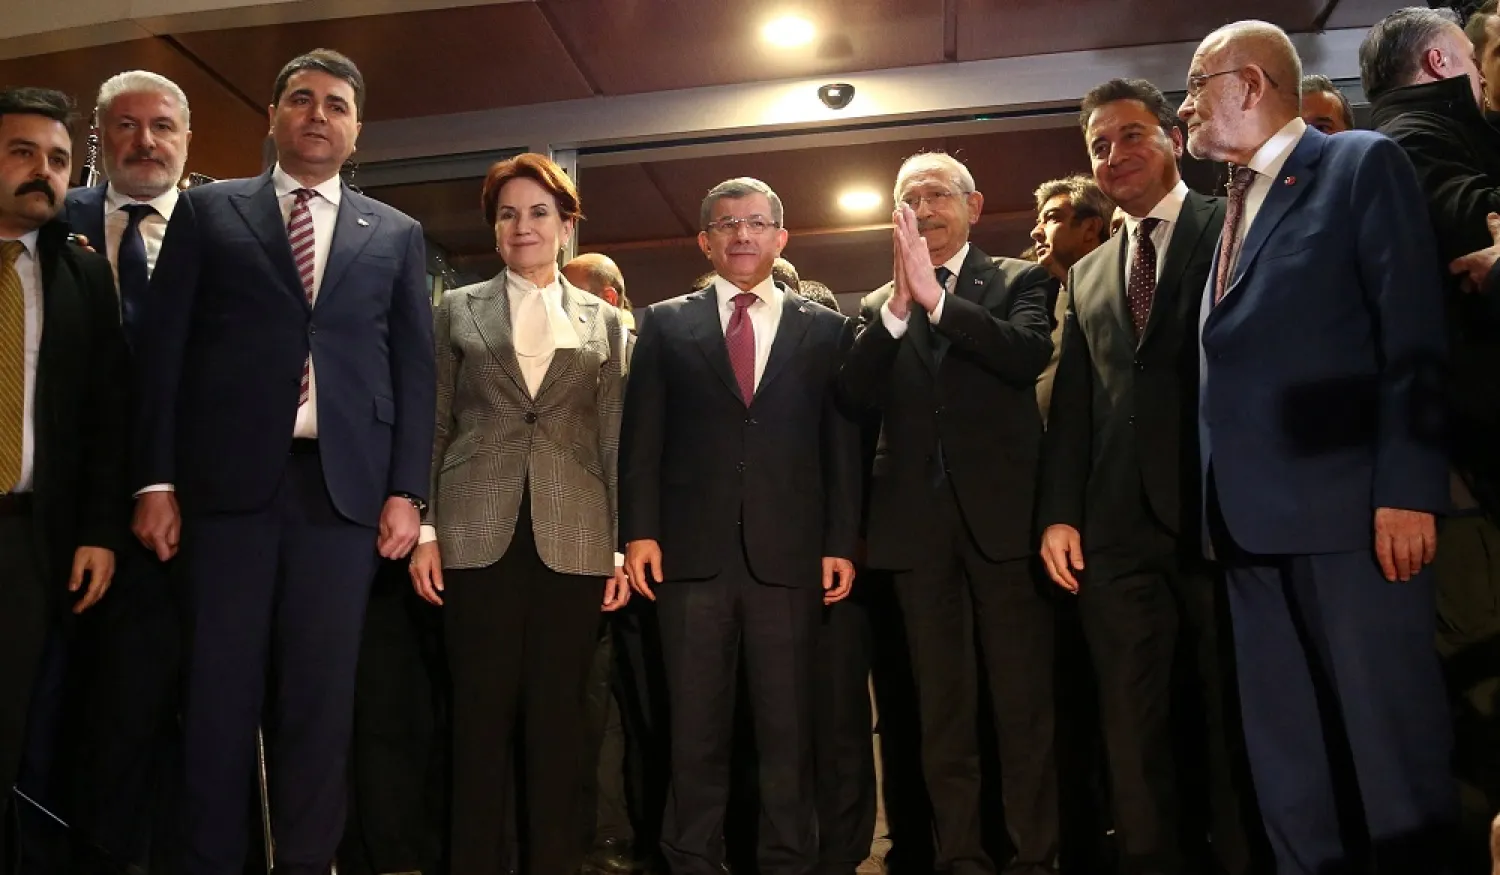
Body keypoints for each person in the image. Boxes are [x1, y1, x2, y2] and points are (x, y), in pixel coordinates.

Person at [131, 49, 436, 875]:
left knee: (319, 703)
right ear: (273, 116)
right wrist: (154, 478)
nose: (317, 114)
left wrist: (410, 489)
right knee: (217, 699)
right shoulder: (209, 213)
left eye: (335, 104)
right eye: (300, 100)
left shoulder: (396, 233)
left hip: (342, 499)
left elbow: (414, 369)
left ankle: (307, 862)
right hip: (223, 493)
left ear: (356, 130)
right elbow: (165, 355)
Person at [1180, 20, 1455, 873]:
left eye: (1196, 85)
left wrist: (1406, 487)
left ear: (1252, 85)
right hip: (1245, 526)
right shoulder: (1227, 204)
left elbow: (1411, 334)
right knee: (1286, 765)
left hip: (1353, 521)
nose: (1185, 106)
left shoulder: (1358, 163)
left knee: (1390, 755)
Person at [1038, 77, 1259, 874]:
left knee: (1226, 718)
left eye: (1130, 134)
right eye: (1098, 144)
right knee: (1130, 732)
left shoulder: (1232, 226)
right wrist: (1060, 514)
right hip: (1114, 536)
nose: (1114, 154)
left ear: (1172, 136)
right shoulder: (1088, 274)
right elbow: (1074, 407)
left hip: (1217, 518)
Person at [619, 176, 861, 875]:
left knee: (788, 732)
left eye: (757, 222)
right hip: (689, 558)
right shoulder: (664, 322)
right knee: (694, 732)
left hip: (790, 558)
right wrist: (639, 531)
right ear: (705, 240)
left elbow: (838, 443)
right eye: (727, 224)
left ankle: (787, 860)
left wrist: (840, 541)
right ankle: (691, 858)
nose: (742, 234)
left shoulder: (826, 328)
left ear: (782, 237)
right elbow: (642, 439)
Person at [406, 152, 628, 875]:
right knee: (476, 721)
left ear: (566, 225)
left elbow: (614, 439)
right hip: (474, 534)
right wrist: (428, 528)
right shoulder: (453, 309)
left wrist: (620, 548)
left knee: (559, 725)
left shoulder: (609, 322)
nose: (521, 225)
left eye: (538, 212)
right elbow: (434, 424)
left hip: (576, 539)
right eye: (507, 214)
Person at [839, 152, 1057, 875]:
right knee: (940, 713)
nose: (925, 210)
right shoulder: (876, 306)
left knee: (1021, 709)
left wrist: (939, 300)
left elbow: (1027, 354)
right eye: (910, 200)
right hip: (915, 536)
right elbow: (854, 397)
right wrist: (902, 310)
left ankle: (1033, 856)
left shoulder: (1021, 279)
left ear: (974, 204)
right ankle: (959, 856)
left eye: (937, 195)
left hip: (1004, 531)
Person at [1362, 7, 1500, 864]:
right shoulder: (1412, 141)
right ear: (1449, 59)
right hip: (1465, 472)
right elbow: (1472, 227)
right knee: (1483, 702)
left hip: (1468, 465)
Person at [59, 69, 191, 870]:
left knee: (176, 706)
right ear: (98, 141)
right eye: (126, 126)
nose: (145, 141)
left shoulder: (224, 224)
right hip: (67, 502)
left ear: (187, 139)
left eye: (162, 126)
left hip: (193, 508)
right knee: (73, 707)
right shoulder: (53, 220)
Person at [0, 85, 128, 862]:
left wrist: (99, 532)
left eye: (55, 159)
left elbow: (108, 421)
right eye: (22, 153)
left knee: (10, 724)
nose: (42, 173)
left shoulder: (80, 277)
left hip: (28, 540)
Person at [1029, 174, 1112, 423]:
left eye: (1052, 218)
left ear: (1090, 228)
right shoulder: (1040, 301)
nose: (1036, 232)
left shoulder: (1120, 294)